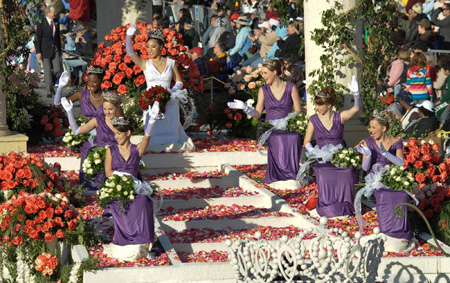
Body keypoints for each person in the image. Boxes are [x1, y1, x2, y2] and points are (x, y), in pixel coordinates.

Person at [228, 59, 301, 184]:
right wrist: (245, 108)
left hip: (287, 126)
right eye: (262, 73)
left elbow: (298, 110)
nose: (263, 76)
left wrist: (288, 119)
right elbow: (257, 114)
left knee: (294, 137)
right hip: (270, 127)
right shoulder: (263, 90)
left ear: (274, 72)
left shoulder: (290, 87)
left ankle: (292, 175)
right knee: (278, 137)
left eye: (265, 73)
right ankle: (280, 175)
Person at [102, 104, 159, 262]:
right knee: (123, 202)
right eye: (116, 133)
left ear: (128, 133)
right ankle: (125, 240)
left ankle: (141, 241)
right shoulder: (110, 150)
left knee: (143, 201)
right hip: (117, 187)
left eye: (119, 133)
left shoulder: (136, 150)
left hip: (136, 189)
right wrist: (123, 176)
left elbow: (146, 139)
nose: (116, 136)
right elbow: (108, 173)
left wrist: (152, 120)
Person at [126, 25, 195, 151]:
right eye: (148, 47)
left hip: (169, 99)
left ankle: (172, 140)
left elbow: (179, 81)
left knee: (171, 123)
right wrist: (128, 36)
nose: (150, 49)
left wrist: (171, 92)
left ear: (161, 47)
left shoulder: (170, 62)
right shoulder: (144, 63)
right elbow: (130, 52)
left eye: (153, 46)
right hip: (151, 100)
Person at [303, 77, 361, 217]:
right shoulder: (314, 120)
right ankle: (327, 206)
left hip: (340, 158)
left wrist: (356, 94)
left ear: (329, 105)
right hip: (322, 158)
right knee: (323, 172)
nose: (317, 107)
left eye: (320, 105)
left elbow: (356, 108)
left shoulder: (340, 117)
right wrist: (315, 152)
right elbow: (306, 142)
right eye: (316, 104)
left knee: (347, 172)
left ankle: (345, 206)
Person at [61, 92, 122, 190]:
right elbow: (76, 131)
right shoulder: (97, 120)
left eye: (110, 109)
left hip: (117, 161)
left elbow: (124, 140)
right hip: (100, 161)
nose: (107, 112)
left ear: (117, 108)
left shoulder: (122, 123)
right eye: (105, 109)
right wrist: (69, 112)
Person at [35, 4, 63, 98]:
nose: (55, 13)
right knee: (47, 71)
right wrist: (38, 52)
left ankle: (50, 83)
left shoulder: (56, 22)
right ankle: (48, 91)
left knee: (57, 69)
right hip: (45, 50)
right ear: (48, 13)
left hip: (55, 49)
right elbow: (37, 38)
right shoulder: (41, 23)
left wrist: (59, 49)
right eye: (53, 12)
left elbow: (57, 37)